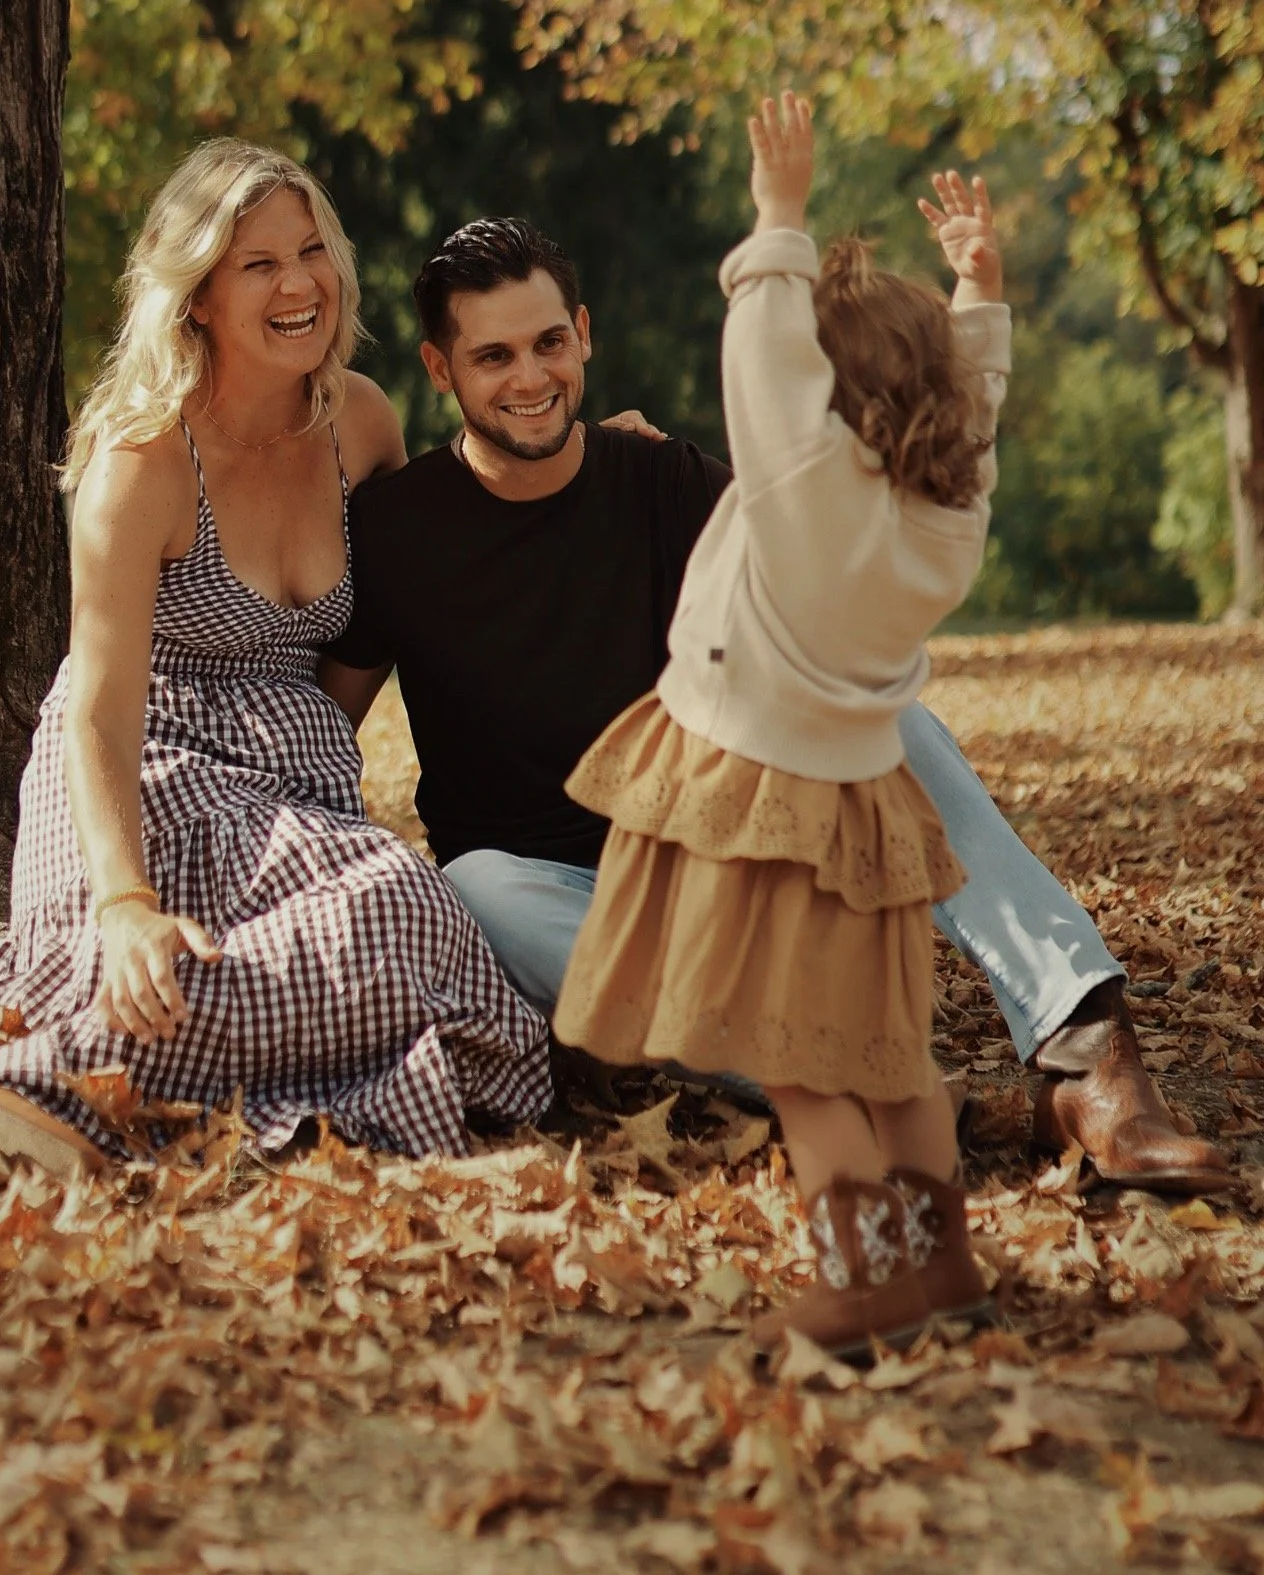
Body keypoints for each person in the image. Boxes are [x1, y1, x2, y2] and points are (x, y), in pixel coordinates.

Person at [320, 203, 1230, 1199]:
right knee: (477, 891)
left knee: (885, 723)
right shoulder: (397, 532)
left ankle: (1083, 1050)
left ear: (584, 335)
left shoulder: (659, 479)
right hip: (557, 903)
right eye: (493, 357)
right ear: (440, 369)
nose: (531, 377)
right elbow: (329, 726)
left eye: (548, 342)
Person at [0, 143, 551, 1168]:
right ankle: (50, 1069)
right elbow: (98, 713)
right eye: (258, 265)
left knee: (411, 911)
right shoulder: (142, 460)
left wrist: (596, 458)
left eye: (311, 252)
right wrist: (125, 906)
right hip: (143, 786)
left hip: (291, 805)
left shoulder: (362, 425)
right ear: (197, 293)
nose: (300, 284)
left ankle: (80, 1083)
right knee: (275, 946)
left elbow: (454, 534)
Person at [555, 92, 1003, 1353]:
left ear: (830, 395)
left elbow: (760, 354)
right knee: (887, 1054)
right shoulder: (945, 508)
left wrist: (779, 218)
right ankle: (943, 1260)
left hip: (769, 799)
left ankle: (859, 1276)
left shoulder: (803, 485)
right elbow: (980, 406)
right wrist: (978, 301)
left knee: (802, 1064)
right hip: (869, 804)